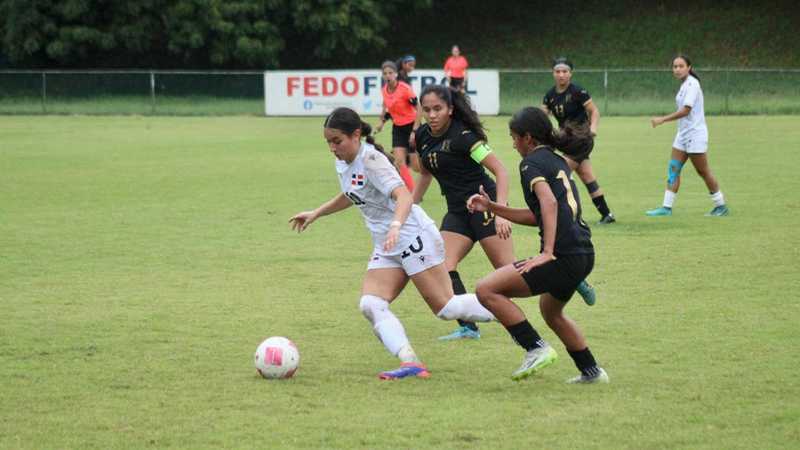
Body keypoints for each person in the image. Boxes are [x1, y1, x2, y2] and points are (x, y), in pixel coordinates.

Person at [290, 107, 497, 380]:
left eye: (336, 141)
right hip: (388, 244)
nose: (332, 148)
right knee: (370, 304)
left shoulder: (372, 160)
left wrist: (396, 226)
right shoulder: (343, 161)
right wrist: (316, 212)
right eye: (328, 142)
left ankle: (504, 308)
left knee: (446, 308)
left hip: (412, 236)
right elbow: (352, 193)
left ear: (355, 135)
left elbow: (404, 196)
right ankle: (410, 362)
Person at [468, 107, 609, 384]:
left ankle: (535, 348)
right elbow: (539, 215)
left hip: (562, 256)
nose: (512, 144)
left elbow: (549, 203)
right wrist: (493, 206)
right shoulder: (556, 160)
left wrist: (547, 253)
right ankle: (592, 371)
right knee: (551, 311)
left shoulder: (530, 163)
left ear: (528, 138)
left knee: (486, 289)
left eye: (513, 137)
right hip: (583, 253)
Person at [413, 84, 515, 340]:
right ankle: (469, 327)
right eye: (427, 110)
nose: (432, 115)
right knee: (443, 266)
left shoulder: (465, 137)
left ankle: (565, 276)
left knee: (509, 274)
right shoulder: (422, 136)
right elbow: (426, 172)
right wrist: (411, 206)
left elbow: (501, 171)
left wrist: (501, 211)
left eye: (438, 109)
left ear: (450, 109)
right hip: (457, 211)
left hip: (485, 206)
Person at [646, 54, 729, 217]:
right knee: (673, 169)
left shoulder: (693, 84)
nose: (677, 69)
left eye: (681, 66)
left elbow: (686, 110)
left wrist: (663, 119)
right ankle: (666, 208)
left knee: (703, 171)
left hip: (695, 135)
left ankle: (721, 206)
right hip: (682, 135)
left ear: (689, 68)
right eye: (675, 66)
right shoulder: (684, 85)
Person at [542, 57, 616, 224]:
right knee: (586, 176)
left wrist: (593, 128)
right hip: (567, 141)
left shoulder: (578, 92)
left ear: (570, 74)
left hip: (581, 140)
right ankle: (607, 215)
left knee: (558, 174)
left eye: (565, 71)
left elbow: (594, 111)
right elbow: (542, 117)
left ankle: (565, 215)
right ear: (553, 73)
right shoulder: (550, 95)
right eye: (557, 71)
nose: (561, 75)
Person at [375, 60, 420, 191]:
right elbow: (386, 108)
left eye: (390, 73)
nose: (388, 75)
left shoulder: (405, 89)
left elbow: (420, 108)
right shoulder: (384, 90)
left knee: (416, 167)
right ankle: (413, 194)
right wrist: (381, 122)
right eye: (385, 73)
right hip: (398, 129)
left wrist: (415, 131)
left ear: (396, 74)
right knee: (399, 162)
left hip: (412, 126)